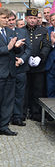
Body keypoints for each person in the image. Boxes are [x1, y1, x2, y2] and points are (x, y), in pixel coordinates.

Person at [0, 8, 25, 136]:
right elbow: (5, 49)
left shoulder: (10, 32)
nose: (6, 21)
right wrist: (8, 47)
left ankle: (4, 126)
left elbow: (14, 51)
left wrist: (16, 47)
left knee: (8, 101)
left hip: (10, 71)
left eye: (7, 18)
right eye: (4, 18)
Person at [24, 8, 51, 121]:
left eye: (35, 18)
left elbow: (46, 45)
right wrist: (26, 57)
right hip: (24, 66)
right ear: (26, 18)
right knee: (24, 90)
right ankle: (23, 112)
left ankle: (35, 113)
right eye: (30, 18)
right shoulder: (20, 30)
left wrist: (40, 57)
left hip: (39, 67)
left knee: (38, 90)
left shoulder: (43, 31)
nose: (32, 20)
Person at [8, 12, 31, 126]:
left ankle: (17, 117)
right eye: (9, 19)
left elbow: (28, 49)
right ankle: (6, 117)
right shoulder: (3, 32)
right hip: (7, 68)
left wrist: (21, 60)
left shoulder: (22, 31)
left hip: (20, 68)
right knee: (7, 94)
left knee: (19, 94)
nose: (11, 22)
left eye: (13, 19)